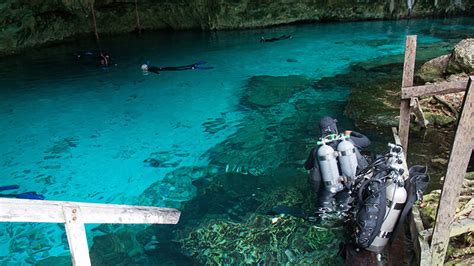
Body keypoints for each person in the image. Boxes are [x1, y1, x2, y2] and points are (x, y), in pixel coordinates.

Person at [304, 116, 370, 216]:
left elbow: (309, 169)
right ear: (335, 128)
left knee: (323, 213)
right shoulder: (348, 141)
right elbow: (366, 141)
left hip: (328, 188)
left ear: (321, 131)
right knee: (346, 209)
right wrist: (351, 133)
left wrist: (316, 192)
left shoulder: (317, 150)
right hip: (349, 186)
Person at [141, 62, 213, 74]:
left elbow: (153, 71)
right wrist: (157, 72)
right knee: (178, 67)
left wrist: (158, 74)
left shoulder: (149, 69)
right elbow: (153, 70)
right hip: (165, 68)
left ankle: (192, 67)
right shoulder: (149, 68)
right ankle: (192, 65)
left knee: (178, 69)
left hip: (165, 69)